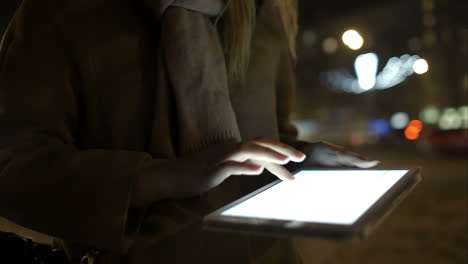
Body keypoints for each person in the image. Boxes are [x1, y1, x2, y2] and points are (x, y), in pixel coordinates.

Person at [0, 0, 378, 263]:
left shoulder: (265, 16)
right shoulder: (64, 12)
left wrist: (303, 158)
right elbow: (13, 168)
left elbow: (270, 137)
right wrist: (164, 176)